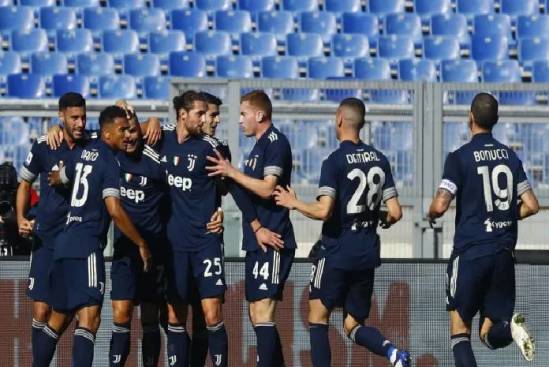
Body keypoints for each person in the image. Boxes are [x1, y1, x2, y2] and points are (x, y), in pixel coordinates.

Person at [274, 98, 411, 367]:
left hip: (338, 250)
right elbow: (395, 212)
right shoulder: (380, 160)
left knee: (317, 316)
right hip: (367, 253)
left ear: (339, 119)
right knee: (353, 324)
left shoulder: (334, 161)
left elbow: (324, 210)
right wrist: (378, 217)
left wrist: (295, 203)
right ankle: (392, 353)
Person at [33, 106, 152, 367]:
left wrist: (56, 180)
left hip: (64, 244)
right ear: (107, 134)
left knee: (58, 318)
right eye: (121, 130)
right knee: (90, 319)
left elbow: (57, 176)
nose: (127, 135)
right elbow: (114, 210)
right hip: (86, 245)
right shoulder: (110, 161)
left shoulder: (81, 154)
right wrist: (141, 243)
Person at [427, 93, 539, 366]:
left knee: (459, 332)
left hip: (471, 253)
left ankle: (510, 330)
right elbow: (532, 205)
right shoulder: (510, 157)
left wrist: (430, 213)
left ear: (470, 117)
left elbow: (441, 204)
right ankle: (510, 330)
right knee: (489, 333)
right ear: (496, 120)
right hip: (503, 254)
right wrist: (504, 217)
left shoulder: (460, 157)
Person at [206, 90, 296, 367]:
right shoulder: (257, 148)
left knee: (263, 311)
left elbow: (269, 189)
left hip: (273, 236)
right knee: (256, 312)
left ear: (260, 115)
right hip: (258, 237)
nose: (240, 120)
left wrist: (231, 172)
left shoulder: (275, 143)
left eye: (243, 114)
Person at [16, 93, 92, 360]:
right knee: (41, 312)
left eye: (83, 116)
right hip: (46, 237)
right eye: (74, 118)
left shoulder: (92, 146)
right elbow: (24, 184)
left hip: (77, 239)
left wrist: (151, 118)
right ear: (61, 117)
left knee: (78, 309)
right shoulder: (44, 145)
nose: (80, 123)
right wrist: (21, 219)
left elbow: (119, 130)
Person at [159, 91, 229, 367]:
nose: (205, 118)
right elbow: (117, 133)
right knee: (174, 315)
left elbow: (229, 186)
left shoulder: (212, 148)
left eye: (206, 113)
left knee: (212, 314)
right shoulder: (160, 138)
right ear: (182, 115)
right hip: (173, 245)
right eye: (199, 113)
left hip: (205, 241)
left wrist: (224, 211)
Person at [107, 101, 170, 367]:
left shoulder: (156, 161)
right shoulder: (111, 156)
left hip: (154, 250)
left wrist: (153, 120)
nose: (130, 136)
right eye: (126, 132)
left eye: (135, 131)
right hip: (125, 250)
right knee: (120, 314)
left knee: (150, 317)